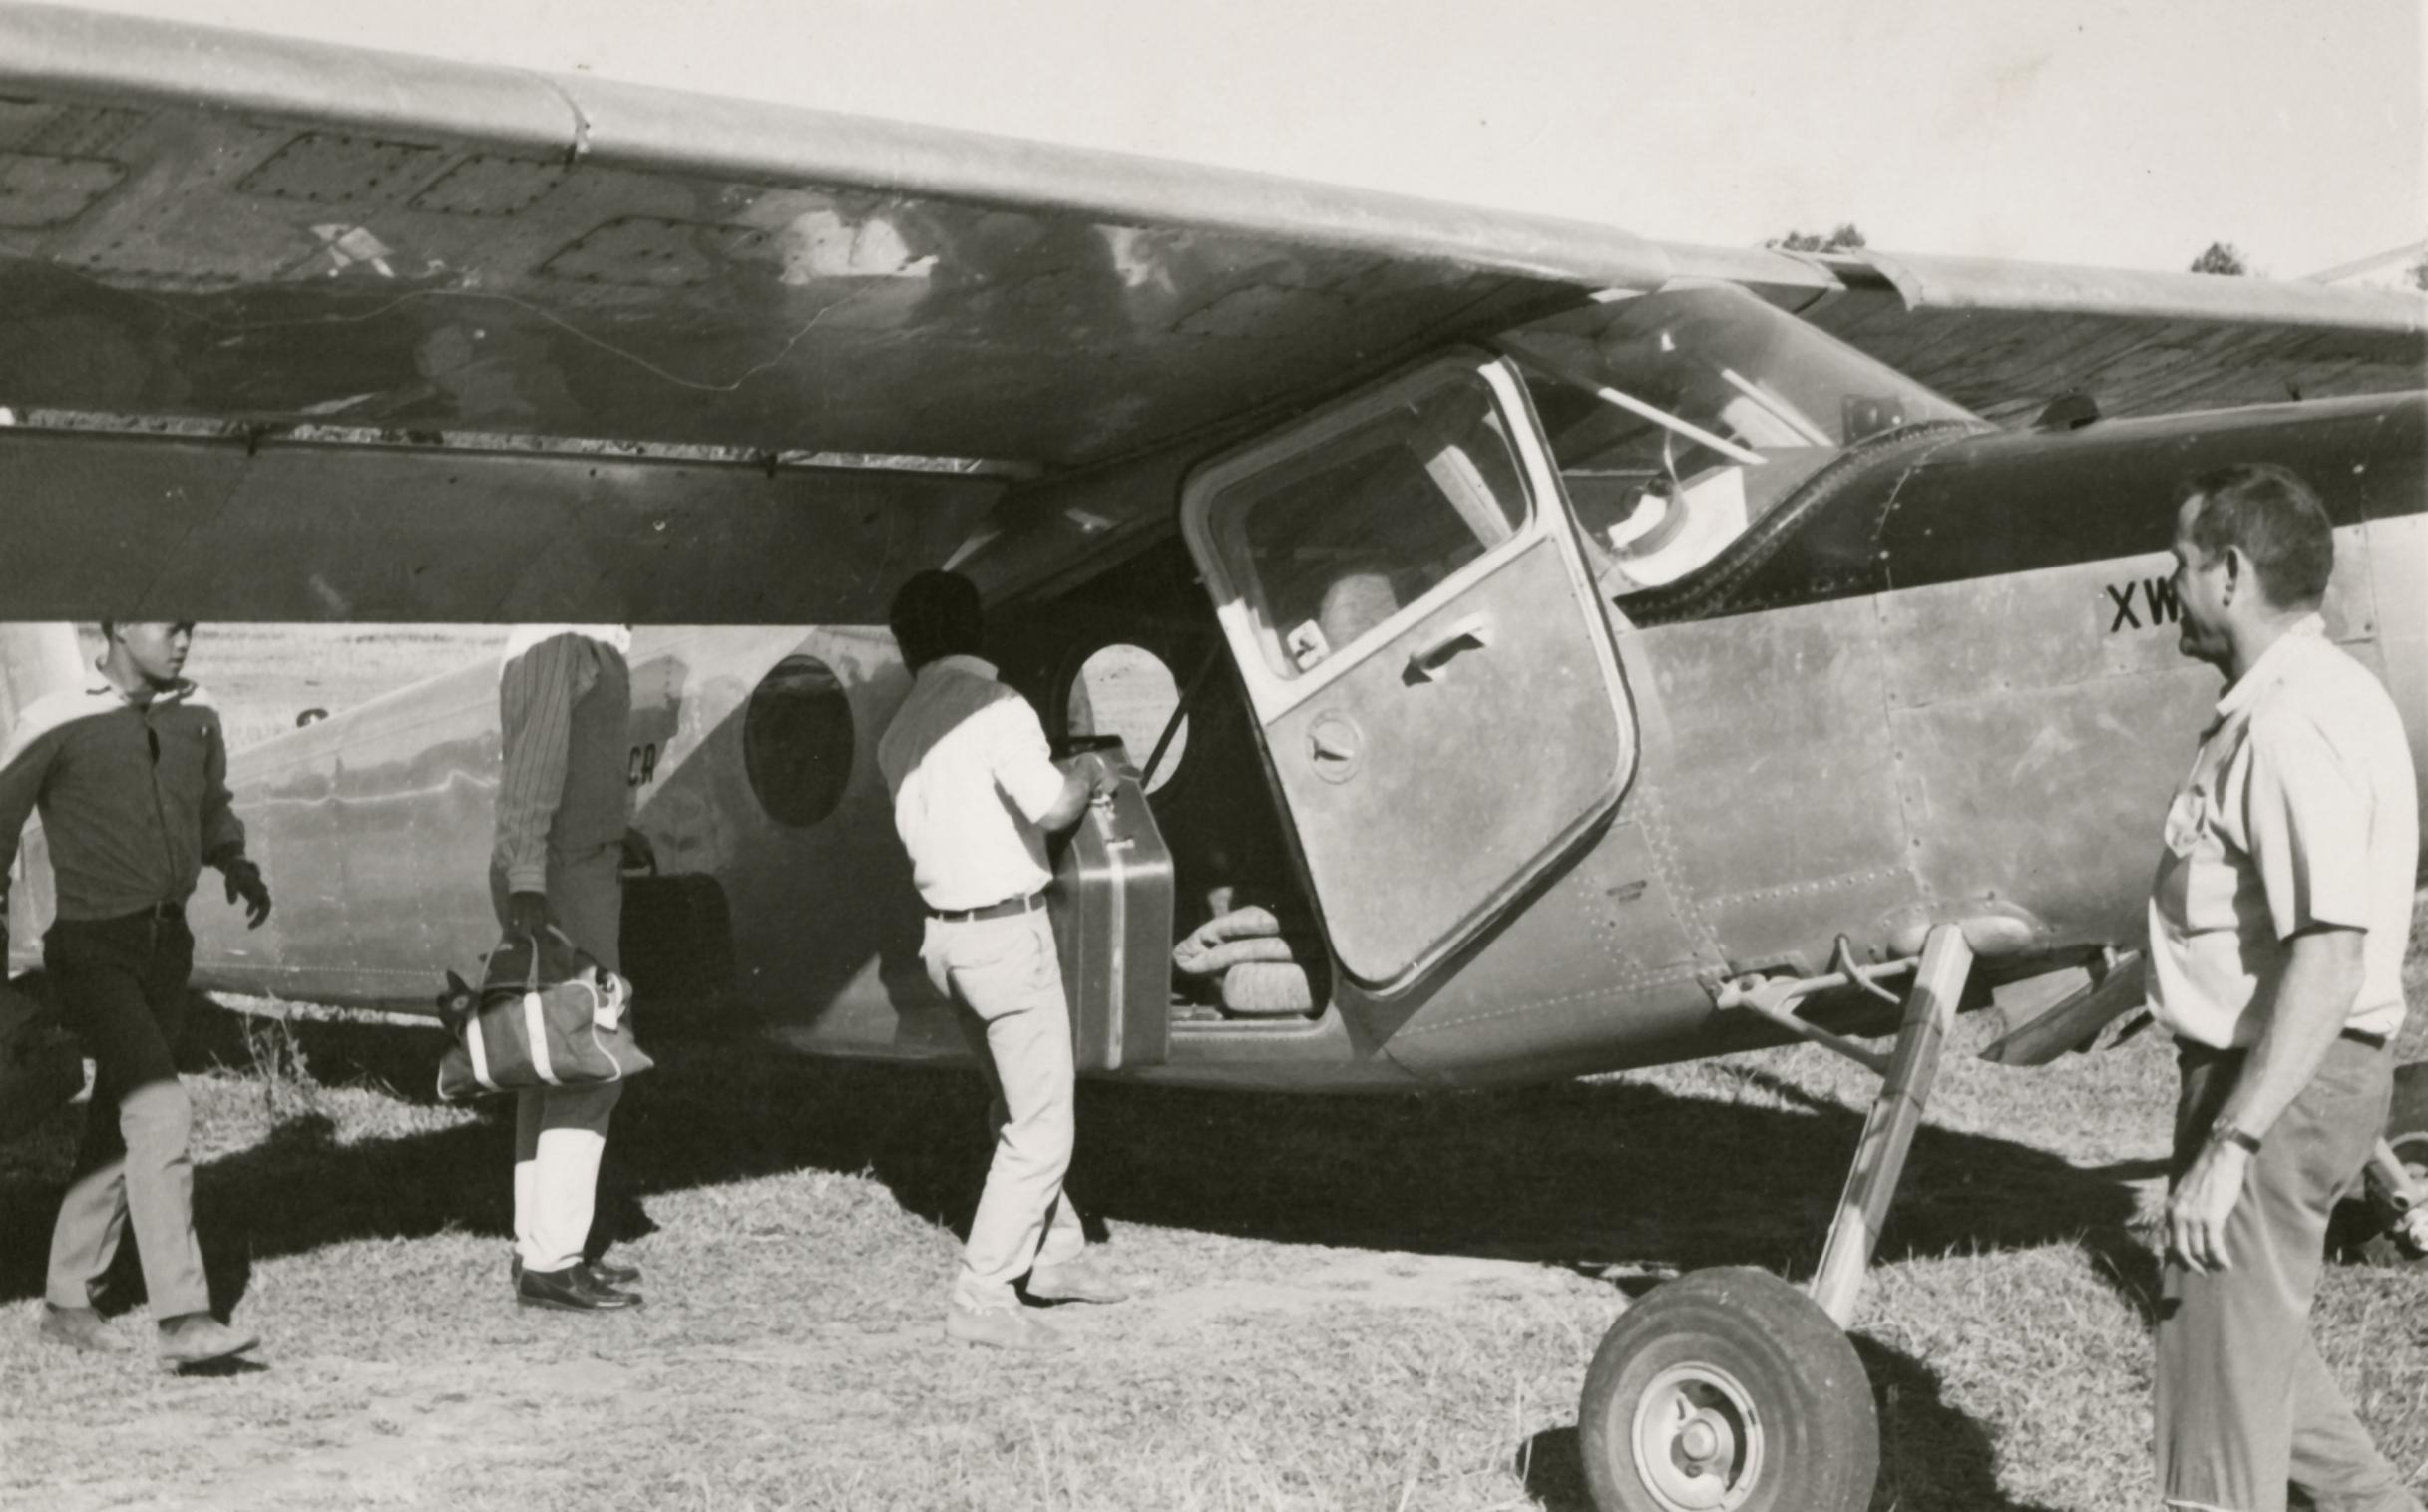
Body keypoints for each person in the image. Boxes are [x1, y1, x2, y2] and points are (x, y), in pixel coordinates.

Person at [2146, 464, 2421, 1512]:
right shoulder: (2316, 694)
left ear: (2229, 573)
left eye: (2179, 565)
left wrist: (2231, 1145)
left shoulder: (2290, 723)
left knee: (2213, 1418)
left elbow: (2331, 955)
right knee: (2254, 1356)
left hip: (2271, 1085)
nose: (2170, 588)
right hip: (2288, 1076)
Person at [0, 622, 271, 1368]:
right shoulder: (55, 719)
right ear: (117, 623)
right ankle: (183, 1317)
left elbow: (210, 805)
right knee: (160, 1108)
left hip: (166, 947)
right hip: (92, 949)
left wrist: (234, 860)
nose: (184, 640)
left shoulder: (199, 713)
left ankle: (67, 1300)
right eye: (168, 625)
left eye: (192, 626)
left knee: (119, 1123)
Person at [877, 570, 1131, 1350]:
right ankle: (982, 1293)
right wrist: (1090, 770)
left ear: (906, 645)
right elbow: (1052, 807)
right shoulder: (997, 706)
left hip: (946, 942)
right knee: (1043, 1126)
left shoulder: (898, 731)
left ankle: (1056, 1255)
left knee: (1015, 1106)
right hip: (1005, 937)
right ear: (975, 627)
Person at [492, 625, 644, 1313]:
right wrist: (528, 876)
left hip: (571, 866)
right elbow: (534, 762)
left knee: (549, 1063)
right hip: (563, 876)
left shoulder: (577, 639)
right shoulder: (561, 639)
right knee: (590, 1058)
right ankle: (552, 1260)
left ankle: (538, 1247)